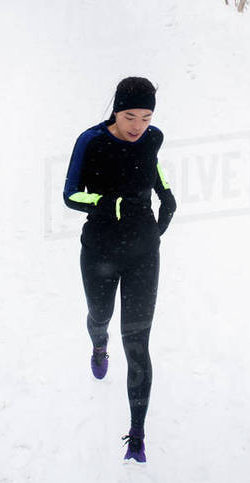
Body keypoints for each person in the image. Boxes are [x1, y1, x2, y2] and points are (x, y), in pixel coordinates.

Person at [62, 76, 176, 463]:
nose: (138, 125)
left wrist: (167, 196)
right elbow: (70, 194)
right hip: (100, 252)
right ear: (116, 110)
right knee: (101, 316)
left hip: (144, 251)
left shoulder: (152, 137)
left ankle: (138, 433)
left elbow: (153, 169)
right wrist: (110, 204)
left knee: (138, 343)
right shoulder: (91, 141)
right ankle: (98, 343)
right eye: (130, 116)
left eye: (145, 117)